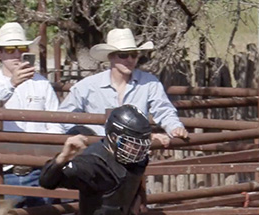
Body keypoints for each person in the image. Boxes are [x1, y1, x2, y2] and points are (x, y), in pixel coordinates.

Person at [0, 22, 61, 215]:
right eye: (9, 50)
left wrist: (48, 156)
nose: (16, 54)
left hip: (37, 171)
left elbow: (56, 122)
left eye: (21, 49)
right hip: (4, 172)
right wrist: (12, 84)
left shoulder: (41, 83)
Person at [57, 28, 188, 148]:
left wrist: (175, 128)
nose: (130, 59)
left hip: (133, 153)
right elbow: (65, 117)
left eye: (134, 55)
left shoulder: (149, 83)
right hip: (98, 152)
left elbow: (163, 110)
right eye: (123, 55)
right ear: (111, 56)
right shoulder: (87, 86)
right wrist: (82, 136)